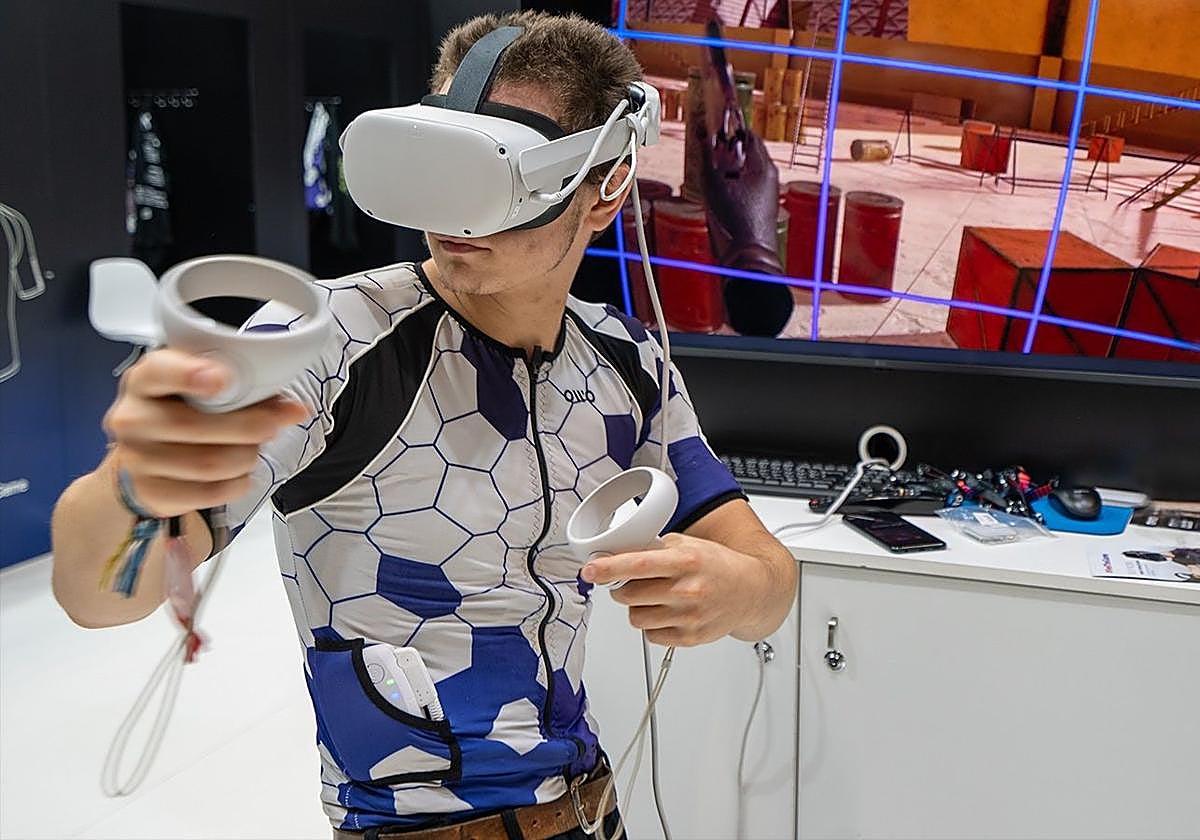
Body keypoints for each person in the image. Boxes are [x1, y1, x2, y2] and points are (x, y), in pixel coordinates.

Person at [50, 12, 797, 839]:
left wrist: (739, 591)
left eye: (498, 173)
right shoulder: (331, 340)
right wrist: (131, 485)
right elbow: (100, 597)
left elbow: (770, 575)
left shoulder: (628, 364)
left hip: (591, 811)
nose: (456, 213)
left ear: (606, 187)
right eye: (441, 164)